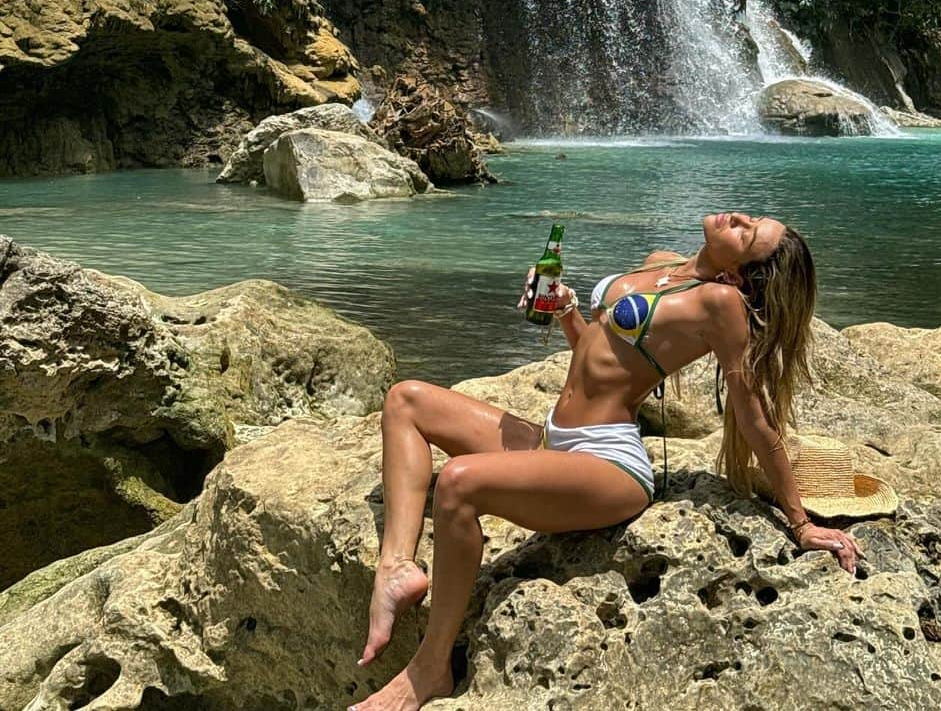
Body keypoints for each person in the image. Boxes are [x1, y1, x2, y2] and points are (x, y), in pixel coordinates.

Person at [349, 211, 863, 711]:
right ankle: (395, 570)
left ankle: (430, 668)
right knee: (405, 399)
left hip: (609, 463)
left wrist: (800, 523)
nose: (739, 218)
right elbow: (599, 355)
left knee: (458, 484)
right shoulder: (663, 263)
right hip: (554, 441)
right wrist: (566, 311)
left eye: (749, 234)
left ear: (737, 273)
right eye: (751, 217)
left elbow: (753, 417)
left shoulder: (719, 303)